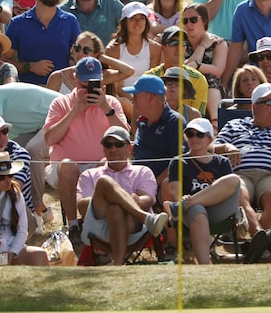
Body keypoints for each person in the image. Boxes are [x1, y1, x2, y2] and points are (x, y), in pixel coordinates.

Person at [212, 83, 271, 262]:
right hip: (241, 174)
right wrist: (225, 146)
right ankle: (261, 237)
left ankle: (255, 245)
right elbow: (209, 147)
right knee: (237, 191)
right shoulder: (234, 125)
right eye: (269, 103)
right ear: (255, 107)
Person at [45, 57, 129, 242]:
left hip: (100, 165)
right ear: (76, 79)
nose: (90, 89)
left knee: (104, 165)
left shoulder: (111, 103)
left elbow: (125, 138)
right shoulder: (61, 103)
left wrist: (106, 108)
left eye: (95, 83)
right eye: (86, 84)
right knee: (67, 166)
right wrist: (74, 111)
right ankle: (74, 226)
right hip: (64, 167)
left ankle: (97, 225)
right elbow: (50, 138)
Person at [74, 125, 168, 261]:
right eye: (108, 144)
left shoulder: (142, 171)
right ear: (103, 149)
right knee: (104, 182)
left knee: (115, 210)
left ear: (129, 148)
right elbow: (82, 207)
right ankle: (146, 218)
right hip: (98, 228)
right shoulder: (89, 175)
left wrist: (119, 202)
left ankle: (117, 266)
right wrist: (114, 197)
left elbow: (147, 201)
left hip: (133, 228)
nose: (113, 149)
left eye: (118, 144)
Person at [162, 117, 240, 265]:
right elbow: (174, 193)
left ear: (210, 139)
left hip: (216, 210)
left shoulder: (221, 162)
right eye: (190, 134)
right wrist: (184, 200)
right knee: (197, 209)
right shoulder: (178, 162)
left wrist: (187, 201)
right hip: (191, 214)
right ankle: (205, 267)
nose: (194, 138)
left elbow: (227, 192)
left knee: (234, 179)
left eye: (200, 134)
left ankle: (183, 205)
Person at [5, 0, 80, 85]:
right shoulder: (17, 23)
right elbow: (3, 62)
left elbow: (79, 58)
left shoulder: (71, 21)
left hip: (62, 92)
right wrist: (29, 67)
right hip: (29, 90)